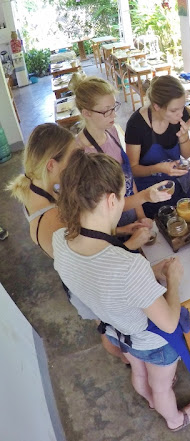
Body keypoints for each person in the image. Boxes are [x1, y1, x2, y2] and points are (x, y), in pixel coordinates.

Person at [52, 150, 190, 431]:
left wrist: (137, 265)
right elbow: (169, 323)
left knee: (138, 370)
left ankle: (149, 399)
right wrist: (172, 279)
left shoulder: (59, 240)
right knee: (162, 387)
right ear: (112, 200)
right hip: (149, 340)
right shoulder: (127, 267)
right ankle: (174, 419)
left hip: (116, 329)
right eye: (123, 196)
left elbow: (97, 273)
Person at [6, 123, 165, 363]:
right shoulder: (52, 219)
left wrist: (121, 228)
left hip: (82, 273)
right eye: (75, 157)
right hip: (87, 282)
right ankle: (132, 360)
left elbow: (86, 229)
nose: (80, 162)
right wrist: (130, 243)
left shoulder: (40, 189)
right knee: (109, 325)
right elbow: (95, 265)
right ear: (52, 165)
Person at [70, 73, 156, 228]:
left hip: (132, 214)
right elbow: (97, 210)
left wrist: (141, 215)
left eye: (114, 107)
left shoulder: (112, 131)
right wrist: (146, 196)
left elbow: (128, 179)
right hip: (113, 227)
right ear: (86, 113)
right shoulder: (81, 152)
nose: (114, 115)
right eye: (106, 111)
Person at [126, 75, 190, 218]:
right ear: (156, 106)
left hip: (177, 184)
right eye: (174, 110)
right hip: (152, 192)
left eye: (182, 107)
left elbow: (187, 154)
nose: (180, 114)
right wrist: (158, 168)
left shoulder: (180, 116)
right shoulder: (136, 125)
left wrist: (184, 138)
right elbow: (132, 169)